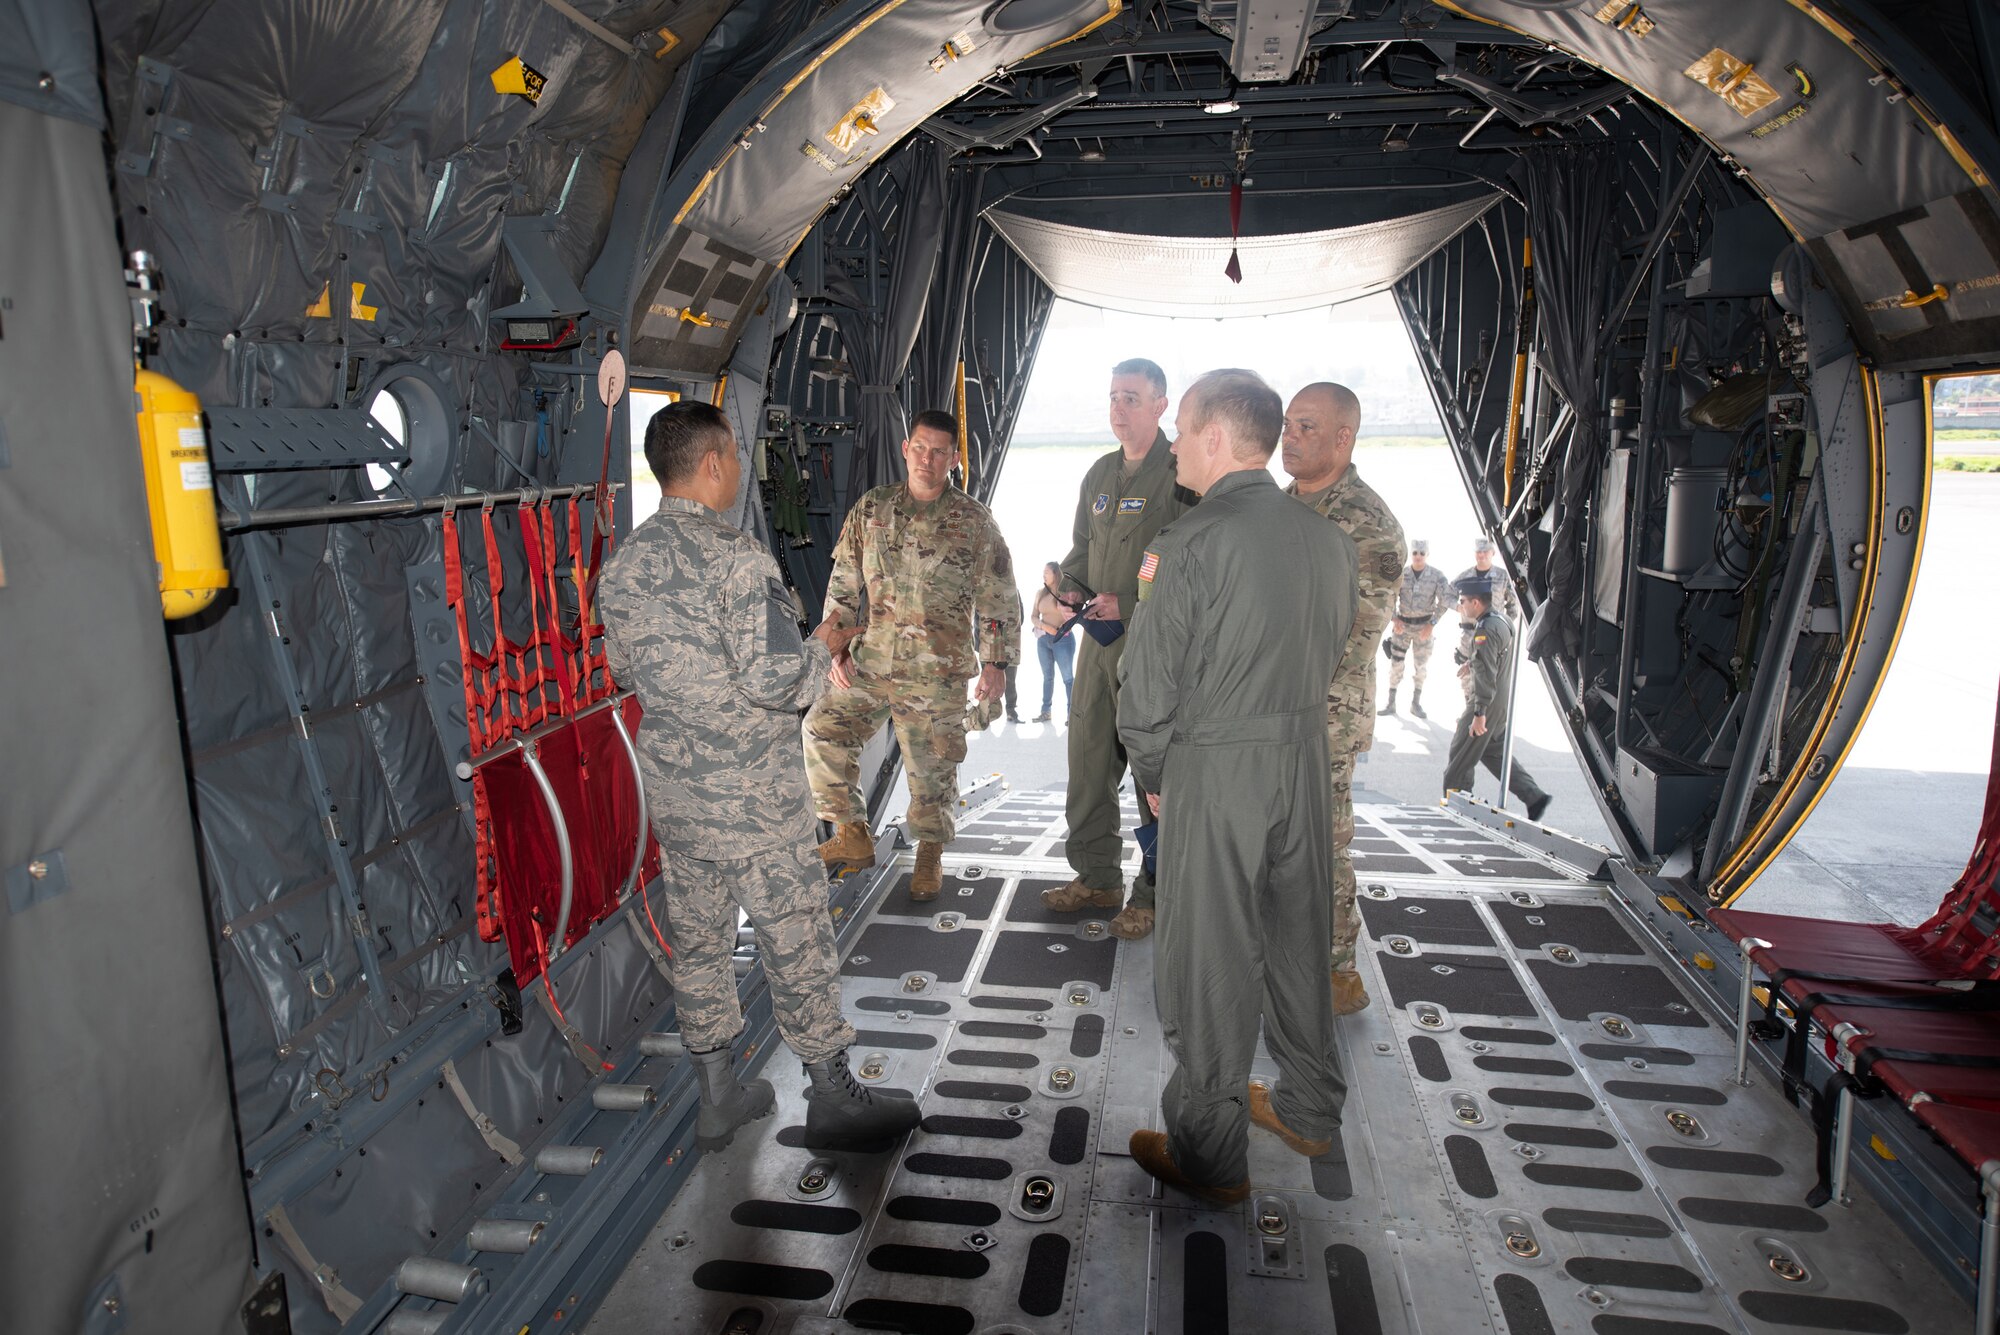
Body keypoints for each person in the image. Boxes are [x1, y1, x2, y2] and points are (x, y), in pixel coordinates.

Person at [597, 401, 921, 1151]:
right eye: (735, 456)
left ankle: (719, 1095)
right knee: (796, 940)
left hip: (679, 801)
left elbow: (622, 668)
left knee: (702, 943)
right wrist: (826, 643)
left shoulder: (624, 566)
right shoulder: (740, 560)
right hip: (754, 803)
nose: (738, 468)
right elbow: (779, 680)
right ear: (711, 464)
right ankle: (834, 1095)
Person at [1118, 368, 1359, 1205]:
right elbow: (1329, 654)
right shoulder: (1328, 541)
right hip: (1301, 760)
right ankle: (1309, 1105)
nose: (1176, 443)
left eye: (1183, 428)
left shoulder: (1186, 543)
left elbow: (1145, 701)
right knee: (1298, 940)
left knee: (1209, 964)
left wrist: (1157, 780)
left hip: (1219, 771)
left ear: (1217, 437)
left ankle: (1211, 1156)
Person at [804, 409, 1020, 900]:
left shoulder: (974, 523)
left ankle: (929, 853)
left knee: (933, 769)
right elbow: (843, 583)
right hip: (871, 661)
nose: (927, 459)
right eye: (920, 448)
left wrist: (996, 664)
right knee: (821, 728)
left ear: (953, 458)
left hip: (935, 673)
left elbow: (998, 598)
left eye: (939, 451)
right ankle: (852, 834)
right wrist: (834, 651)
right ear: (906, 448)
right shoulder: (872, 509)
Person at [1042, 358, 1194, 940]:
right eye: (1112, 397)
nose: (1118, 408)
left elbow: (1190, 569)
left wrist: (1127, 604)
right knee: (1087, 768)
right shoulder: (1100, 475)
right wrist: (1062, 590)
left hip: (1154, 652)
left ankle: (1152, 892)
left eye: (1131, 397)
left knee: (1153, 778)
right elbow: (1082, 551)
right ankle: (1097, 876)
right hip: (1097, 649)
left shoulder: (1180, 477)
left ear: (1160, 404)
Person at [1280, 382, 1405, 1018]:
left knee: (1322, 846)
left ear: (1342, 437)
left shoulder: (1367, 525)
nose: (1289, 438)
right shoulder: (1280, 507)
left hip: (1322, 715)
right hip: (1269, 710)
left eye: (1305, 427)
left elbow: (1349, 640)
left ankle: (1336, 975)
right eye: (1286, 425)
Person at [1442, 575, 1551, 821]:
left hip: (1485, 702)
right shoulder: (1501, 620)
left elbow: (1486, 672)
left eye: (1464, 601)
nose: (1462, 606)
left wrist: (1479, 713)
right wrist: (1473, 662)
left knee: (1458, 760)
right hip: (1499, 702)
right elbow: (1493, 659)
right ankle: (1533, 796)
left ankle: (1459, 812)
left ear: (1477, 603)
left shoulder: (1484, 630)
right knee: (1493, 751)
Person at [1380, 540, 1454, 719]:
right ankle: (1391, 702)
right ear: (1411, 554)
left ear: (1427, 554)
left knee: (1420, 667)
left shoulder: (1437, 576)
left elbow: (1445, 600)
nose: (1418, 556)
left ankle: (1416, 703)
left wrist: (1432, 623)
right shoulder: (1401, 574)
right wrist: (1394, 618)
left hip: (1424, 628)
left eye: (1422, 552)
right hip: (1402, 627)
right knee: (1396, 664)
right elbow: (1388, 596)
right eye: (1415, 553)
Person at [1454, 536, 1521, 673]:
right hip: (1469, 637)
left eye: (1486, 551)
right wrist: (1458, 607)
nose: (1482, 555)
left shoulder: (1503, 576)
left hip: (1492, 636)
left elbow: (1513, 606)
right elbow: (1446, 594)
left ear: (1493, 552)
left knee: (1490, 678)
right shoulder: (1465, 576)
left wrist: (1503, 626)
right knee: (1467, 683)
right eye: (1479, 551)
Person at [1031, 561, 1075, 721]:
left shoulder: (1065, 594)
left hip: (1063, 640)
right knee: (1047, 677)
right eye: (1043, 571)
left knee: (1068, 678)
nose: (1043, 574)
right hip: (1043, 640)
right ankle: (1045, 712)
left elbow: (1073, 616)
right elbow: (1033, 616)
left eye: (1047, 572)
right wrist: (1045, 627)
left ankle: (1072, 715)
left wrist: (1060, 629)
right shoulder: (1040, 593)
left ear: (1056, 574)